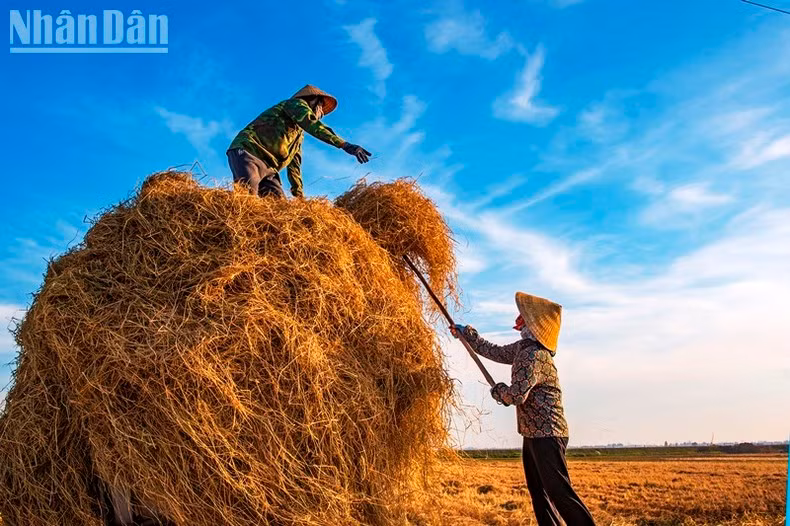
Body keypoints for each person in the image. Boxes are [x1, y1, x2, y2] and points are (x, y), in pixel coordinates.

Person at [450, 292, 595, 526]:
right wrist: (468, 336)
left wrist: (499, 392)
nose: (519, 319)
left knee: (560, 494)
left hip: (547, 434)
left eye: (524, 317)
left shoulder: (532, 355)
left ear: (533, 324)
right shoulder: (524, 348)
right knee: (540, 493)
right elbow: (494, 351)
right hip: (534, 433)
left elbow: (517, 395)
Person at [227, 84, 372, 199]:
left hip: (270, 168)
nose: (321, 114)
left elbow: (294, 165)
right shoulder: (295, 104)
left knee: (279, 210)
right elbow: (314, 125)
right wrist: (345, 145)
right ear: (313, 100)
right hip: (249, 152)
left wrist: (300, 198)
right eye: (320, 107)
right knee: (246, 200)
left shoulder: (297, 134)